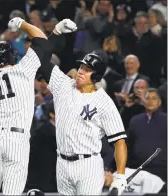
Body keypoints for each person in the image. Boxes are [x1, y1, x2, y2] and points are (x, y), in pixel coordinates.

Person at [0, 17, 75, 195]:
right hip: (16, 139)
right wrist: (22, 24)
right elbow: (42, 41)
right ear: (12, 56)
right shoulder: (23, 69)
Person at [35, 22, 128, 195]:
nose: (80, 71)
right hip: (62, 163)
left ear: (97, 76)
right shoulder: (62, 85)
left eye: (87, 70)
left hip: (88, 166)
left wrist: (121, 176)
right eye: (81, 67)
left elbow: (119, 141)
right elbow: (40, 58)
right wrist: (56, 32)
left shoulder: (104, 102)